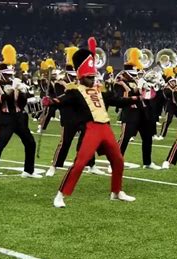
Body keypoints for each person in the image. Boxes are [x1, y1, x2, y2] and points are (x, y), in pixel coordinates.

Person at [47, 37, 138, 207]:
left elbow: (117, 100)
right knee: (80, 163)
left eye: (93, 76)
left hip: (106, 128)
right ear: (81, 77)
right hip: (91, 129)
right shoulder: (75, 91)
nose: (93, 79)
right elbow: (62, 100)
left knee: (118, 160)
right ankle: (60, 195)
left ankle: (116, 191)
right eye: (89, 76)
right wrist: (50, 101)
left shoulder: (99, 90)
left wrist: (135, 98)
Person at [0, 44, 41, 181]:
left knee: (30, 143)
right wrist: (11, 90)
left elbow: (24, 102)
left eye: (11, 74)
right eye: (7, 75)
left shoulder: (17, 83)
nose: (10, 77)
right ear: (0, 74)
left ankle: (28, 171)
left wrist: (27, 92)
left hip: (20, 119)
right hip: (5, 119)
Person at [46, 46, 103, 177]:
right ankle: (54, 166)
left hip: (84, 115)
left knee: (88, 142)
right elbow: (63, 98)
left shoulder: (85, 79)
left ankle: (91, 165)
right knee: (65, 143)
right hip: (70, 116)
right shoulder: (62, 81)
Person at [114, 48, 161, 171]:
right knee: (124, 138)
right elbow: (120, 96)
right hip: (130, 111)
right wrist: (136, 90)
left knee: (147, 138)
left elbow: (148, 94)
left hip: (143, 111)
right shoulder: (121, 77)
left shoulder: (140, 75)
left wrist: (148, 87)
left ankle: (147, 162)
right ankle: (114, 163)